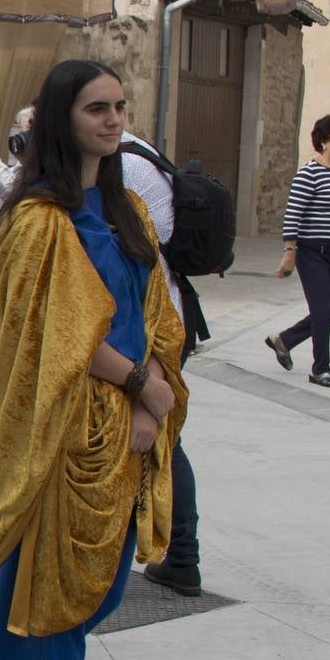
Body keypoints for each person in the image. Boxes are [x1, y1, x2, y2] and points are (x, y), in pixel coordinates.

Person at [0, 59, 187, 660]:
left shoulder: (129, 215)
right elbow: (48, 334)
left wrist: (152, 399)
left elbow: (156, 310)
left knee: (92, 583)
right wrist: (139, 385)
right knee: (56, 586)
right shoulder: (35, 221)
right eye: (96, 108)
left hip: (128, 424)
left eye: (119, 106)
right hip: (68, 428)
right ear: (61, 119)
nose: (113, 119)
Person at [120, 135, 204, 597]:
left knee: (162, 439)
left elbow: (145, 253)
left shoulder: (120, 169)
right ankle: (183, 557)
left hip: (153, 325)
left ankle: (181, 554)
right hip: (168, 314)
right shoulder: (141, 154)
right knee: (167, 439)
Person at [266, 115, 330, 390]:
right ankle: (320, 369)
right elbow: (292, 215)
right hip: (312, 252)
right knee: (323, 309)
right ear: (324, 140)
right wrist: (290, 253)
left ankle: (285, 340)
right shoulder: (309, 173)